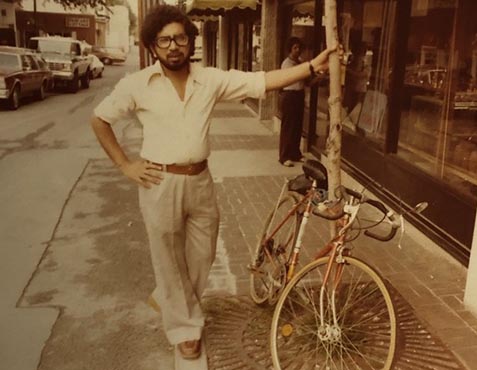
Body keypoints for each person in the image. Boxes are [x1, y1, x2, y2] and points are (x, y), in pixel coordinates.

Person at [90, 4, 334, 362]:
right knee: (168, 259)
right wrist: (125, 165)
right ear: (152, 46)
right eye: (164, 40)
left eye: (180, 38)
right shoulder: (137, 85)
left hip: (200, 180)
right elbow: (99, 119)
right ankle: (185, 329)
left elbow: (262, 80)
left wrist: (313, 66)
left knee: (201, 253)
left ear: (190, 40)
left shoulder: (210, 80)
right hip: (159, 182)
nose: (174, 46)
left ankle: (172, 298)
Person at [279, 37, 306, 167]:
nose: (298, 50)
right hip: (289, 95)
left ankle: (295, 153)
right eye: (295, 47)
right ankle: (284, 156)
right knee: (288, 127)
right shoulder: (287, 64)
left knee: (297, 126)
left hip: (299, 95)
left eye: (299, 47)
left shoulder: (300, 62)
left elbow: (305, 81)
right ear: (290, 49)